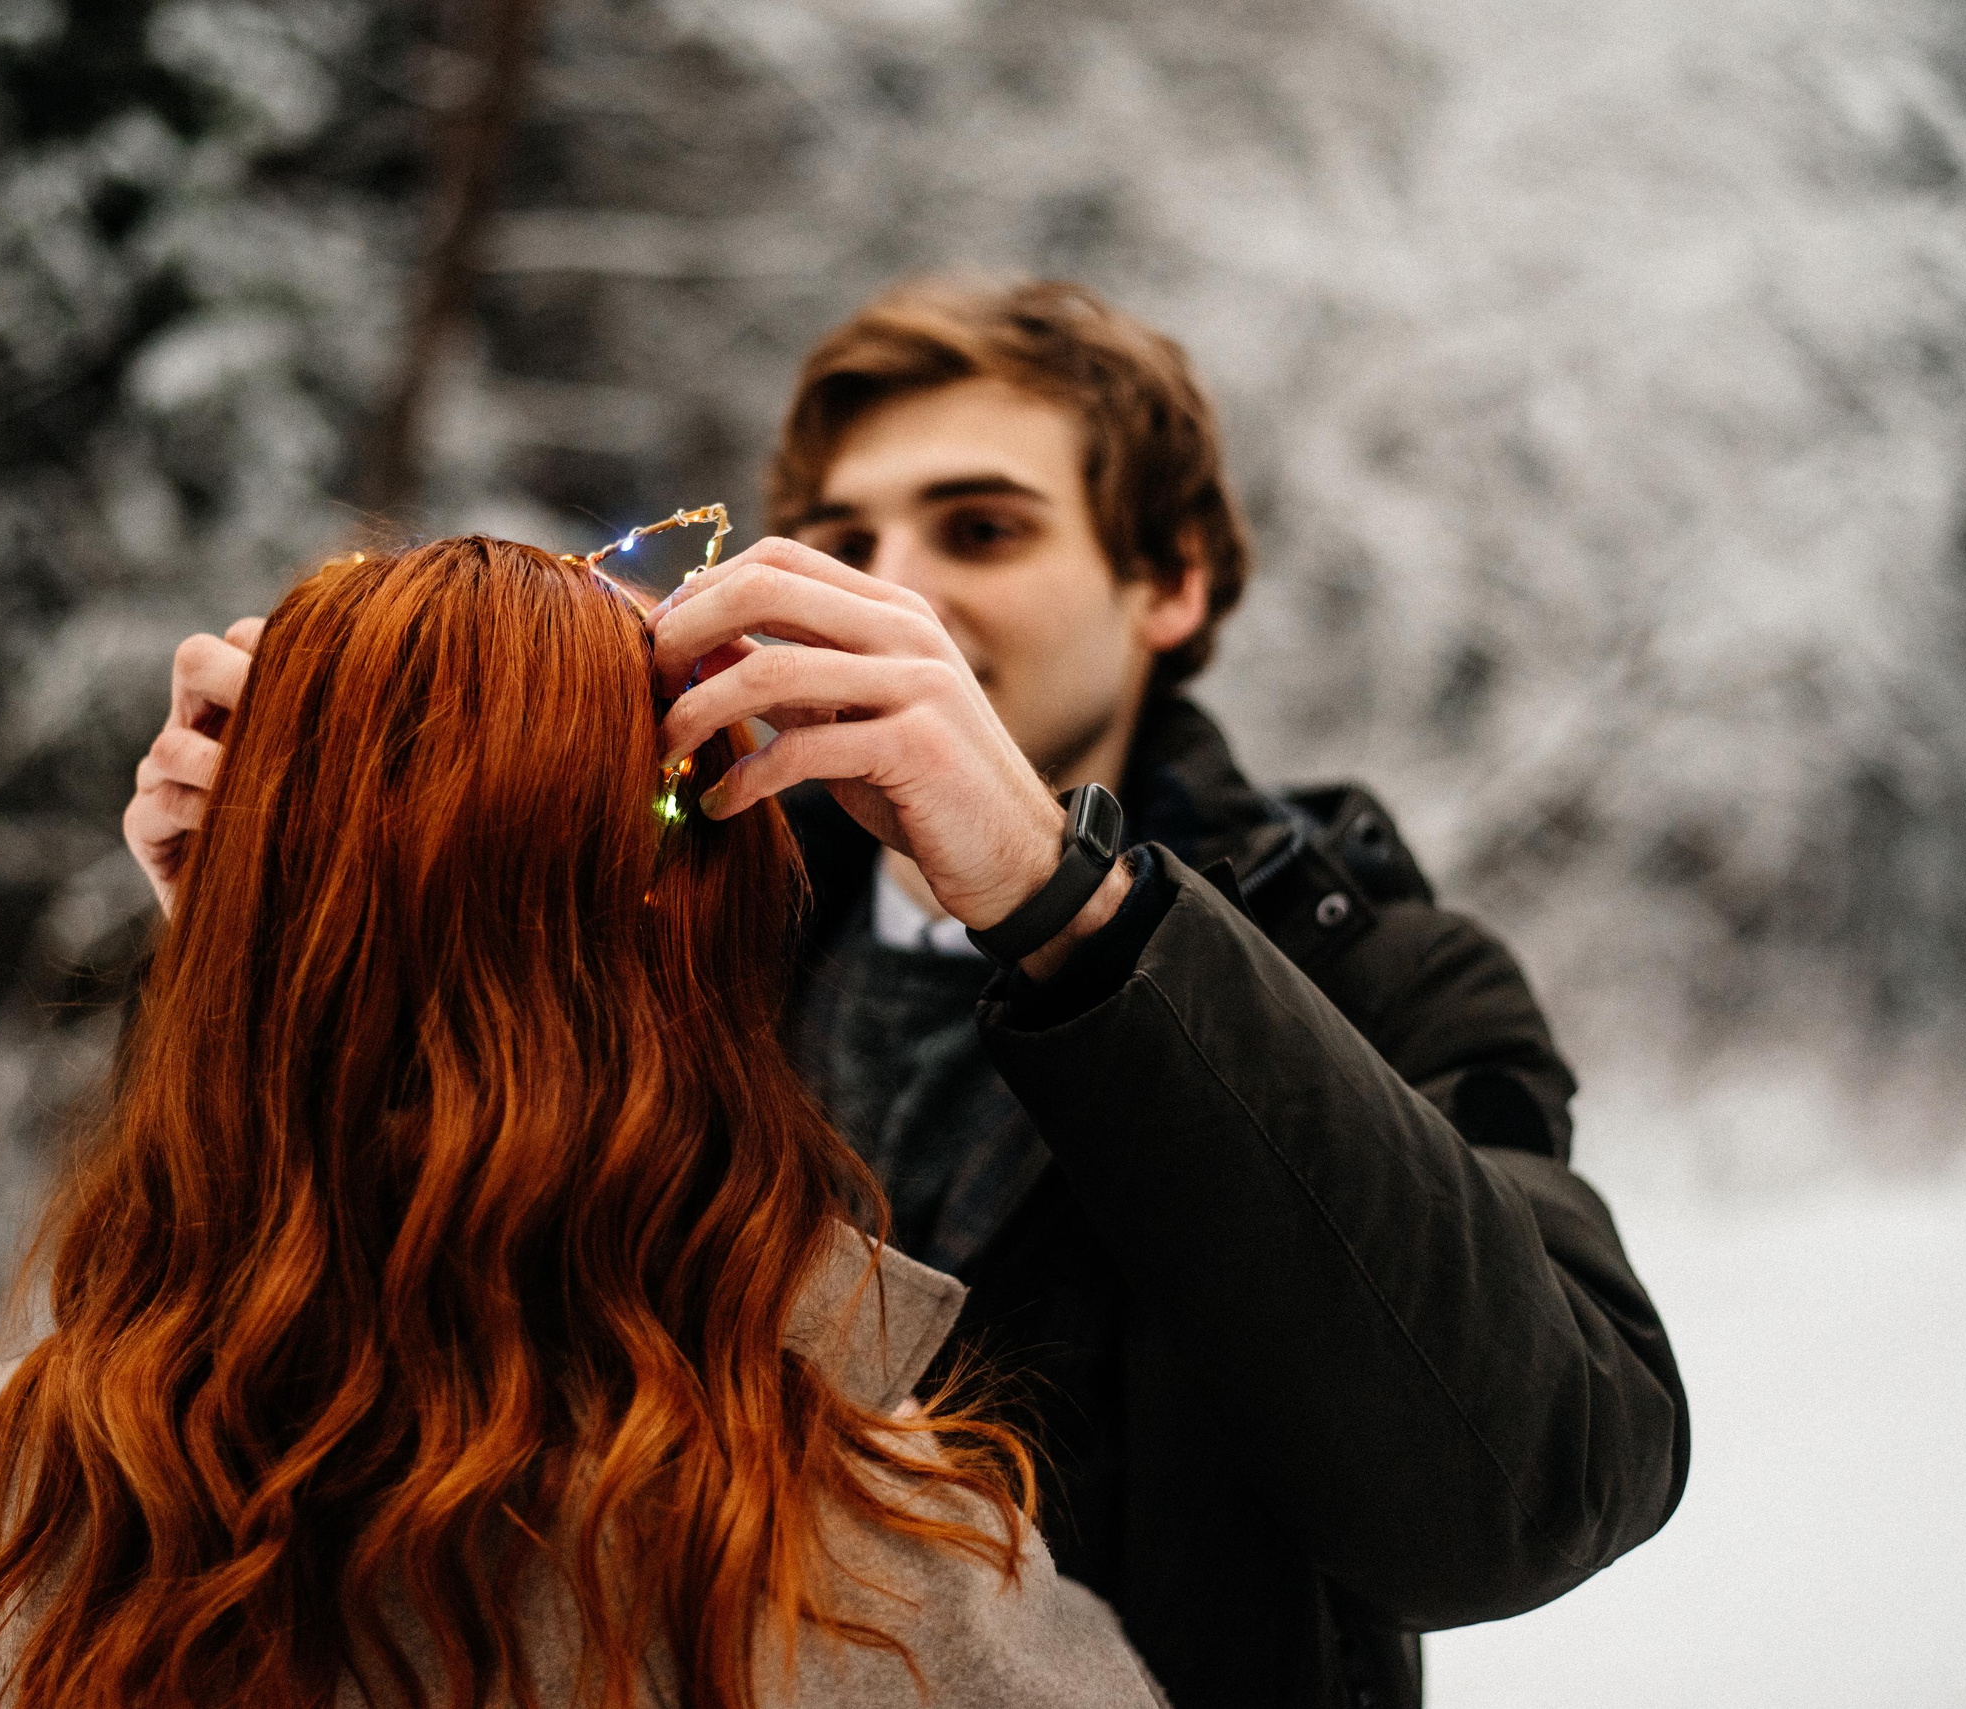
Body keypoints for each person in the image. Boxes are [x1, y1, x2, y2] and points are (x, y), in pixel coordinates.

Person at [125, 281, 1691, 1709]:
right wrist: (279, 936)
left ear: (1172, 582)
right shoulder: (687, 909)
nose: (901, 595)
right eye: (843, 539)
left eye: (984, 530)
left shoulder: (1373, 970)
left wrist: (1060, 899)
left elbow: (1532, 1488)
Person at [0, 536, 1166, 1709]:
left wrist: (273, 960)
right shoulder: (866, 1564)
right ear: (709, 954)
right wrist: (1055, 890)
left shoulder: (19, 1486)